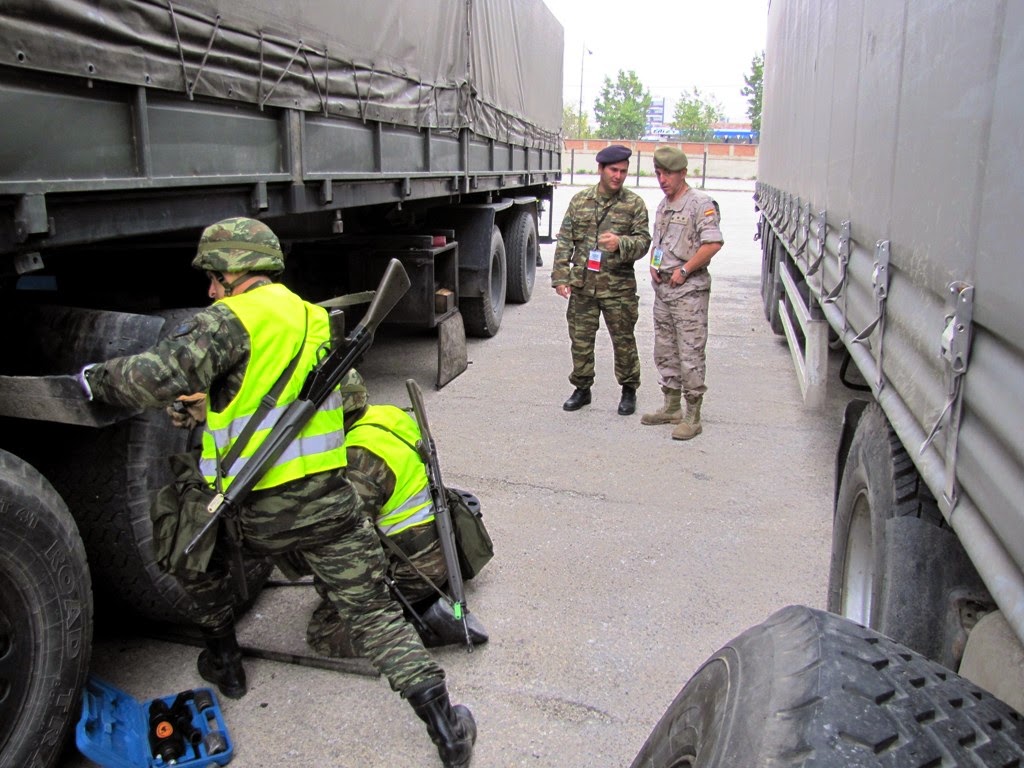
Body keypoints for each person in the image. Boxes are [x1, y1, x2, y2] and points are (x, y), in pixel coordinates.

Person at [75, 217, 475, 768]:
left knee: (189, 540)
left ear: (237, 269)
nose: (211, 289)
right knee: (375, 614)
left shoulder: (227, 321)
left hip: (246, 512)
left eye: (214, 276)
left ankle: (224, 660)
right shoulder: (314, 319)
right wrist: (214, 403)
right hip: (327, 505)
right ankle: (447, 728)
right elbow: (341, 399)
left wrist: (93, 380)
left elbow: (155, 374)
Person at [306, 371, 488, 656]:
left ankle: (419, 626)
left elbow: (349, 540)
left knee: (324, 632)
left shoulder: (358, 456)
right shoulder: (391, 416)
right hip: (445, 546)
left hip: (413, 572)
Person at [551, 144, 652, 415]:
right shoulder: (580, 200)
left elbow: (644, 242)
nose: (618, 176)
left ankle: (629, 389)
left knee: (623, 340)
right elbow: (565, 240)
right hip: (583, 284)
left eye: (623, 171)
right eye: (613, 170)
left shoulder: (634, 204)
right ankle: (582, 388)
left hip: (618, 287)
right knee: (581, 339)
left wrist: (621, 243)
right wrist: (561, 276)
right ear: (600, 169)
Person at [641, 146, 724, 440]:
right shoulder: (665, 204)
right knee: (665, 349)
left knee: (689, 351)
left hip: (688, 292)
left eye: (668, 173)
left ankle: (693, 414)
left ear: (683, 173)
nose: (662, 179)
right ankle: (672, 406)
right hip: (664, 290)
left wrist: (686, 269)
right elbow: (659, 241)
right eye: (659, 173)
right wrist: (653, 263)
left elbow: (713, 243)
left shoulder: (700, 204)